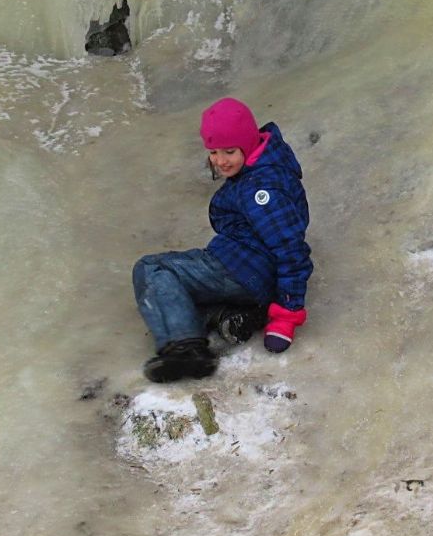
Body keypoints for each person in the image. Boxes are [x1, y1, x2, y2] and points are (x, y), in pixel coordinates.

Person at [132, 97, 313, 382]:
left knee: (152, 270)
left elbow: (291, 249)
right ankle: (229, 317)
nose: (220, 160)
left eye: (229, 151)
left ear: (247, 145)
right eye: (214, 152)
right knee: (173, 297)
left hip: (242, 269)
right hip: (248, 271)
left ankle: (186, 350)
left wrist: (287, 313)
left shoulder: (261, 189)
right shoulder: (261, 165)